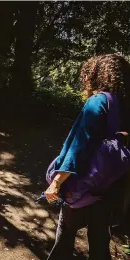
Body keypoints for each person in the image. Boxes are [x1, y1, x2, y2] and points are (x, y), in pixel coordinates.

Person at [45, 54, 130, 260]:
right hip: (112, 189)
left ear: (99, 75)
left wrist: (56, 183)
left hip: (83, 184)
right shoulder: (126, 106)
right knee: (100, 246)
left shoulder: (99, 101)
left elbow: (79, 145)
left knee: (64, 241)